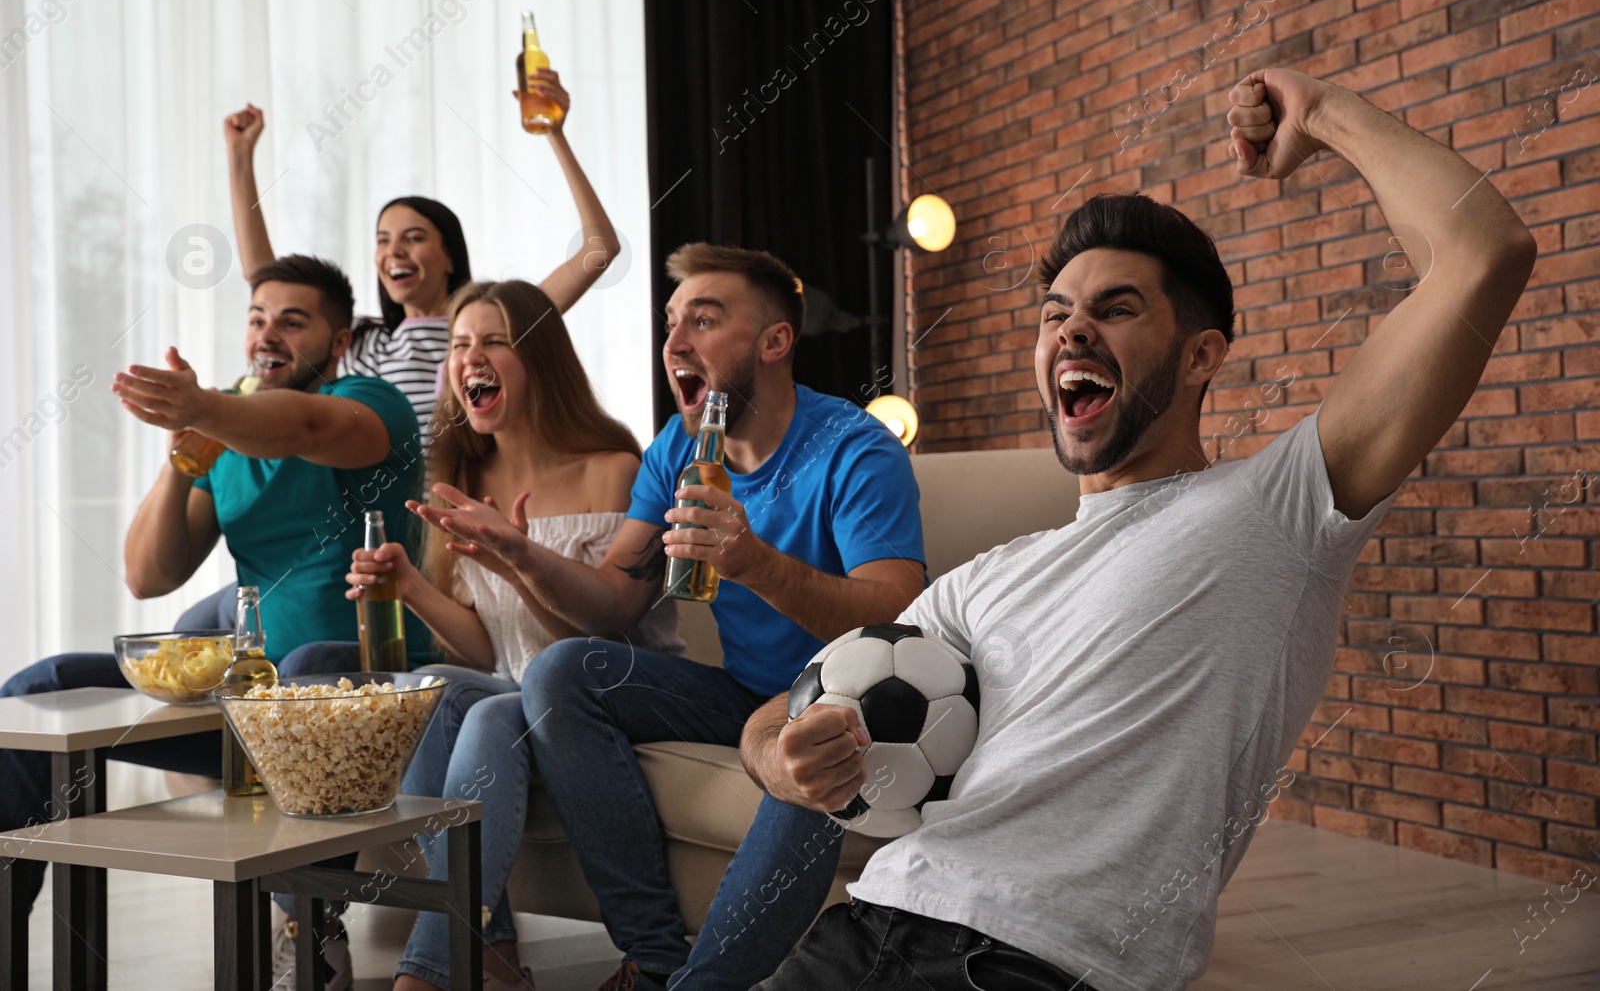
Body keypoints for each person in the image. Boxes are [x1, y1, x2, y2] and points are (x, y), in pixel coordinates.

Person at [740, 67, 1539, 990]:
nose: (1073, 330)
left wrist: (1321, 115)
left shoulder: (1279, 505)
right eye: (1055, 315)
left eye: (1116, 309)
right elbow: (776, 713)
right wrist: (782, 757)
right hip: (862, 927)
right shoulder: (988, 577)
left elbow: (1484, 251)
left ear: (1202, 356)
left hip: (1038, 963)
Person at [401, 243, 928, 991]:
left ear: (775, 342)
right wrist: (520, 555)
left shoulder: (853, 449)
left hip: (835, 697)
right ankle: (652, 957)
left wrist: (754, 562)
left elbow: (896, 613)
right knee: (561, 670)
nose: (674, 343)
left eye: (704, 321)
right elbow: (614, 600)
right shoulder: (679, 449)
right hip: (743, 691)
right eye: (671, 322)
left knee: (816, 764)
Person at [0, 254, 423, 917]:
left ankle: (311, 933)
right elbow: (149, 573)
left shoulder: (373, 403)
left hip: (363, 690)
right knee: (40, 687)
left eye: (292, 321)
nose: (267, 335)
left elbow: (305, 428)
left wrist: (209, 408)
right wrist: (184, 446)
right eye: (257, 319)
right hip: (253, 700)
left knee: (304, 673)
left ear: (340, 342)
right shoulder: (225, 432)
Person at [176, 65, 617, 630]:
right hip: (353, 534)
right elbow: (268, 278)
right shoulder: (359, 339)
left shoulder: (482, 332)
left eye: (413, 237)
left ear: (449, 254)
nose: (393, 251)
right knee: (192, 633)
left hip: (426, 533)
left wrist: (555, 133)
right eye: (382, 240)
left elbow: (597, 251)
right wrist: (240, 159)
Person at [340, 279, 679, 988]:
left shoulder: (614, 469)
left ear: (541, 358)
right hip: (515, 687)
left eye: (494, 340)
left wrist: (522, 562)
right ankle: (485, 951)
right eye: (461, 344)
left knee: (496, 706)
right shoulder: (460, 478)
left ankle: (438, 968)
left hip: (602, 693)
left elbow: (595, 643)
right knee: (427, 685)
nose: (472, 356)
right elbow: (491, 650)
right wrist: (411, 584)